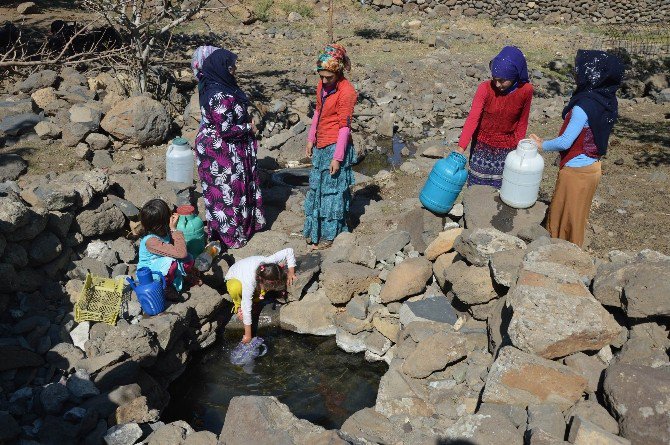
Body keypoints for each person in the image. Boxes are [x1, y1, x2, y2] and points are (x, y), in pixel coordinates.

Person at [530, 50, 624, 247]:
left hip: (576, 170)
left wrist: (541, 145)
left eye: (580, 71)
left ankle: (560, 255)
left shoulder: (583, 107)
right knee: (577, 217)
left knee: (561, 215)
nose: (576, 74)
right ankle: (574, 251)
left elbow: (565, 142)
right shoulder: (607, 101)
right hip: (593, 168)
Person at [194, 48, 265, 249]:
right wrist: (248, 127)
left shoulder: (222, 86)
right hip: (219, 152)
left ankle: (234, 231)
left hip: (228, 148)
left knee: (230, 191)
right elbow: (225, 130)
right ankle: (230, 236)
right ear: (221, 67)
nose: (234, 69)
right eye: (231, 65)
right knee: (226, 194)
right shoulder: (218, 95)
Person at [303, 43, 358, 250]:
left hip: (336, 144)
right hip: (321, 142)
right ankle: (314, 229)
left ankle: (330, 234)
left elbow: (344, 127)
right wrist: (311, 138)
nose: (324, 81)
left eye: (329, 78)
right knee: (317, 189)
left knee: (332, 193)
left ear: (339, 72)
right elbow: (318, 111)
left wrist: (337, 157)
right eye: (321, 77)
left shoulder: (347, 92)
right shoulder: (322, 85)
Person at [456, 46, 533, 188]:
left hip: (508, 147)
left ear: (515, 75)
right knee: (476, 188)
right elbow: (473, 118)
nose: (497, 84)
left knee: (501, 189)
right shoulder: (485, 88)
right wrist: (461, 147)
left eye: (503, 81)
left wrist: (519, 148)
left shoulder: (526, 91)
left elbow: (522, 122)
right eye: (494, 79)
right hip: (481, 146)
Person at [225, 248, 297, 343]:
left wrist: (291, 271)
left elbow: (289, 251)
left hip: (257, 279)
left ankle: (257, 298)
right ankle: (238, 306)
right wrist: (248, 335)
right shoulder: (249, 282)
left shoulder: (270, 263)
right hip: (234, 278)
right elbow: (247, 308)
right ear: (261, 280)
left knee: (262, 292)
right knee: (236, 288)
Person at [137, 199, 197, 295]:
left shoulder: (163, 230)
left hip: (163, 265)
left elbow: (180, 250)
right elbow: (181, 253)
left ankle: (183, 277)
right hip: (150, 275)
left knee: (189, 257)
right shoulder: (151, 241)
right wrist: (174, 229)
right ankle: (166, 288)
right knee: (170, 261)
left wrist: (172, 230)